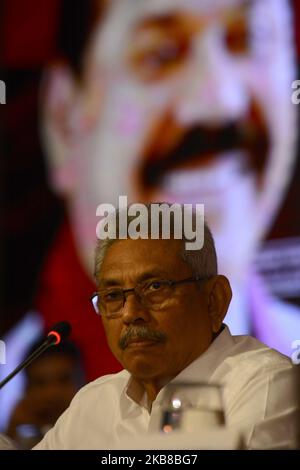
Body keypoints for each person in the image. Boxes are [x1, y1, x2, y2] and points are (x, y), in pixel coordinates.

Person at [38, 0, 300, 362]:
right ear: (64, 118)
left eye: (250, 40)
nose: (222, 101)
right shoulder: (23, 397)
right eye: (161, 54)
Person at [33, 205, 299, 450]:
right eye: (113, 296)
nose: (131, 314)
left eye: (155, 287)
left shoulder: (265, 383)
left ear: (214, 300)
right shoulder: (94, 402)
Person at [5, 338, 85, 448]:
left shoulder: (104, 429)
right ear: (26, 390)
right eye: (39, 383)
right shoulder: (22, 439)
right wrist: (10, 433)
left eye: (63, 379)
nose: (51, 394)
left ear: (83, 381)